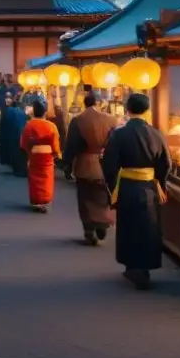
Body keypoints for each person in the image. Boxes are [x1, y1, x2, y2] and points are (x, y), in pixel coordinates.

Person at [100, 92, 172, 290]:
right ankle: (145, 268)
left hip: (128, 186)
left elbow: (109, 165)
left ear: (127, 109)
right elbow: (166, 163)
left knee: (129, 227)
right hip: (149, 187)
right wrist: (161, 184)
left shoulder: (119, 133)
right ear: (147, 110)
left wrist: (113, 188)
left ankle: (132, 267)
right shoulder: (157, 133)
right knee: (148, 227)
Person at [63, 92, 117, 245]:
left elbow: (70, 146)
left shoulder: (78, 121)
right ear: (98, 103)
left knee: (85, 198)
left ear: (84, 103)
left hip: (84, 163)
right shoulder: (111, 120)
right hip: (105, 164)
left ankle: (89, 229)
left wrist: (67, 165)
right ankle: (102, 224)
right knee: (103, 197)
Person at [19, 101, 61, 213]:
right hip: (47, 156)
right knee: (47, 179)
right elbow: (55, 143)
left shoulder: (29, 125)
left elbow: (24, 143)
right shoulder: (51, 126)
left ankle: (36, 201)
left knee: (34, 179)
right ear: (44, 113)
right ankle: (45, 201)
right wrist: (57, 153)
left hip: (34, 155)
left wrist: (28, 153)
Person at [0, 98, 29, 176]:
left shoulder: (8, 111)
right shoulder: (22, 113)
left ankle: (16, 169)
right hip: (20, 135)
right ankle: (20, 170)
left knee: (13, 153)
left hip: (10, 135)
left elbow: (3, 124)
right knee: (20, 154)